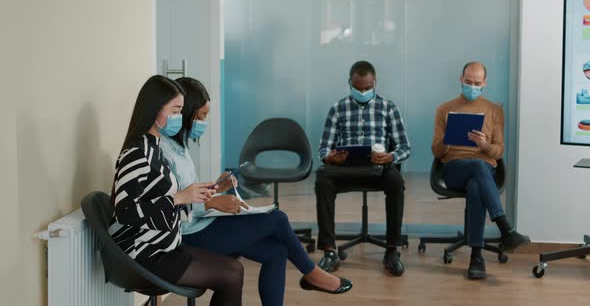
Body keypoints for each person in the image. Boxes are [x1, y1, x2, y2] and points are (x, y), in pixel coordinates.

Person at [159, 77, 353, 306]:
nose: (204, 122)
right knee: (277, 218)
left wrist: (216, 189)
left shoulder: (179, 148)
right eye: (201, 115)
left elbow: (189, 194)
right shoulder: (163, 152)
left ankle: (311, 276)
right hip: (188, 236)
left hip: (200, 225)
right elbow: (169, 206)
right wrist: (211, 203)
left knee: (276, 252)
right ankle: (313, 274)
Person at [109, 75, 244, 305]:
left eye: (181, 111)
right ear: (154, 109)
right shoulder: (137, 153)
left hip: (166, 245)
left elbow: (162, 200)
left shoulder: (155, 147)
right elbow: (125, 212)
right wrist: (179, 198)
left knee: (234, 268)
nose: (179, 118)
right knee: (231, 275)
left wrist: (195, 196)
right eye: (174, 111)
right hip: (146, 254)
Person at [432, 61, 530, 280]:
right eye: (468, 82)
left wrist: (485, 146)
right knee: (476, 166)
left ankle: (476, 256)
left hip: (485, 170)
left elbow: (498, 152)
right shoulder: (444, 109)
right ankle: (505, 229)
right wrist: (447, 142)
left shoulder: (494, 110)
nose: (472, 86)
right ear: (461, 79)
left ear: (484, 83)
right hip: (453, 169)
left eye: (477, 83)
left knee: (477, 184)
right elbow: (437, 152)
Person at [315, 61, 411, 276]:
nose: (363, 92)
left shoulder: (389, 108)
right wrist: (329, 157)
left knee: (395, 182)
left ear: (375, 83)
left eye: (367, 88)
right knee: (322, 178)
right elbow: (323, 148)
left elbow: (405, 146)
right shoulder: (337, 109)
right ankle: (330, 251)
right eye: (358, 88)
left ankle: (392, 251)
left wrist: (390, 156)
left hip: (378, 166)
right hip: (346, 168)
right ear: (350, 83)